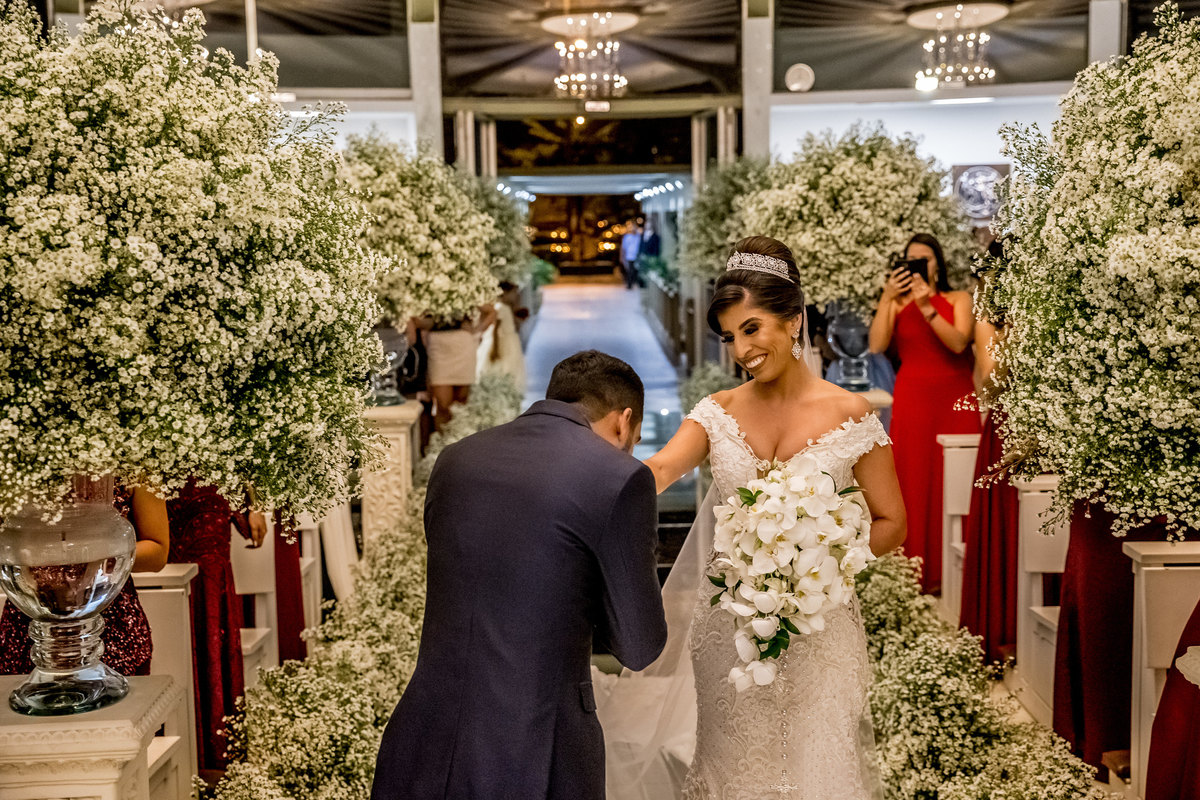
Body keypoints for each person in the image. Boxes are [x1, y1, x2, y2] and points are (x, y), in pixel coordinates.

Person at [626, 236, 906, 800]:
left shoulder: (851, 414)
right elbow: (655, 470)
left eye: (752, 328)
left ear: (795, 319)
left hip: (821, 629)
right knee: (735, 769)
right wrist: (569, 470)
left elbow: (892, 522)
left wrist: (822, 570)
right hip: (730, 632)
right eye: (730, 336)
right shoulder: (718, 412)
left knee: (816, 768)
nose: (740, 349)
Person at [371, 350, 669, 800]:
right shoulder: (619, 477)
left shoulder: (455, 460)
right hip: (538, 751)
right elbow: (639, 644)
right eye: (635, 436)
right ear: (624, 421)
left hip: (424, 739)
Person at [868, 233, 978, 594]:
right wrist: (887, 297)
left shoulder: (958, 298)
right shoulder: (896, 304)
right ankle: (913, 574)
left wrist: (927, 304)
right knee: (912, 477)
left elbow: (959, 342)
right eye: (910, 260)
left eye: (924, 259)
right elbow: (876, 345)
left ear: (937, 264)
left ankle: (957, 572)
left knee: (956, 479)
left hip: (955, 397)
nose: (917, 265)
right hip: (913, 397)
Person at [0, 485, 169, 677]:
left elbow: (158, 552)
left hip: (113, 628)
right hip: (28, 626)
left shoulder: (136, 462)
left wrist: (86, 556)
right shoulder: (12, 463)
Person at [423, 303, 498, 431]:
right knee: (442, 404)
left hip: (463, 345)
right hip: (438, 346)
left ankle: (458, 441)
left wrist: (477, 330)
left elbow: (491, 312)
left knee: (461, 404)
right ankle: (440, 445)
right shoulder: (428, 290)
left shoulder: (464, 286)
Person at [620, 219, 643, 289]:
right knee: (630, 270)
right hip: (629, 256)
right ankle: (629, 284)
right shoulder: (627, 237)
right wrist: (622, 257)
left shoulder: (638, 236)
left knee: (638, 270)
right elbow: (624, 248)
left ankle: (639, 284)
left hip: (638, 255)